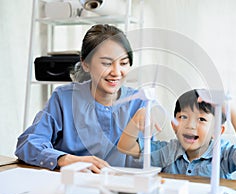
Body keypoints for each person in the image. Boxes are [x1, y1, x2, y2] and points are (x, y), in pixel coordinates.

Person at [15, 24, 146, 173]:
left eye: (123, 63)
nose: (116, 72)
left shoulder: (138, 103)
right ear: (85, 64)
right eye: (107, 63)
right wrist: (67, 160)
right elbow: (28, 143)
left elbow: (148, 160)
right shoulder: (63, 98)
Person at [117, 89, 236, 179]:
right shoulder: (168, 151)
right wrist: (137, 118)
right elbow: (125, 148)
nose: (190, 125)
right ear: (174, 126)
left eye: (201, 119)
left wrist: (229, 110)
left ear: (217, 132)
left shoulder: (222, 153)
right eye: (184, 117)